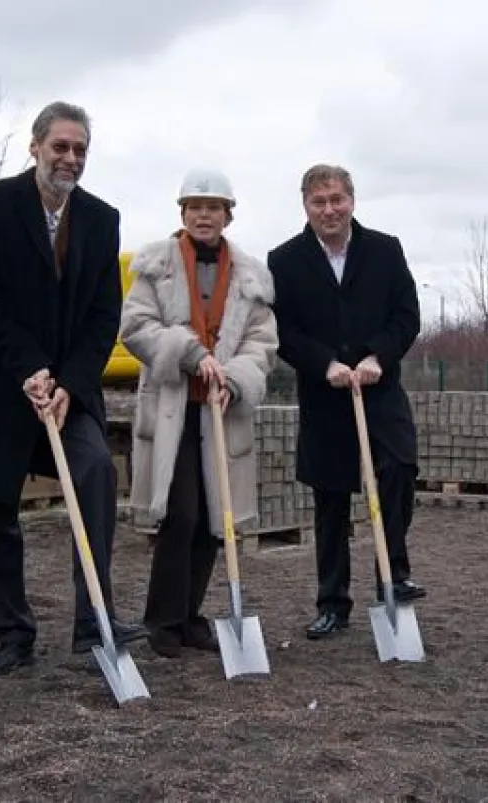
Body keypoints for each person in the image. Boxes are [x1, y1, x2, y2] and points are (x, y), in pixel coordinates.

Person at [0, 101, 145, 675]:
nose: (70, 158)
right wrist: (28, 366)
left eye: (80, 149)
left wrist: (71, 384)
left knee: (97, 470)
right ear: (35, 147)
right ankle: (14, 633)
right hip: (3, 382)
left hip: (68, 387)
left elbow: (104, 318)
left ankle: (92, 620)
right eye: (60, 147)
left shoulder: (101, 219)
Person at [119, 168, 279, 658]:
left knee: (216, 514)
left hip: (220, 411)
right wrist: (189, 353)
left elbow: (262, 342)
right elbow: (136, 327)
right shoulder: (156, 265)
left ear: (228, 214)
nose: (204, 215)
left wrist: (235, 378)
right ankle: (162, 620)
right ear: (182, 213)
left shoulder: (251, 275)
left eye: (213, 207)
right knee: (180, 513)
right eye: (195, 206)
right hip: (173, 410)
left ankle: (190, 617)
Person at [267, 163, 426, 641]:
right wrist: (323, 365)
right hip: (326, 393)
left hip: (379, 386)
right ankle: (333, 602)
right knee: (330, 496)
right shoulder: (285, 260)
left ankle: (391, 573)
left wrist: (379, 353)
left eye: (337, 199)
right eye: (320, 202)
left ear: (352, 201)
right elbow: (284, 331)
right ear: (306, 207)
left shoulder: (384, 250)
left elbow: (407, 314)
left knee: (399, 467)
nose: (330, 209)